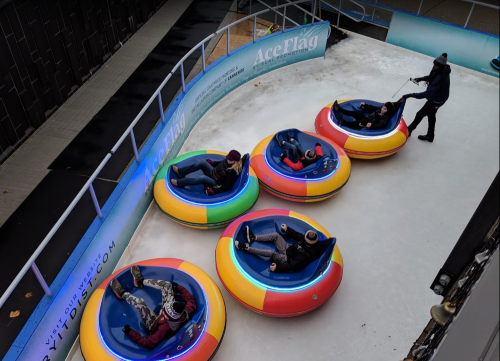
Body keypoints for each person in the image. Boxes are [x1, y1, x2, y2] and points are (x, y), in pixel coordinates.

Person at [110, 266, 197, 349]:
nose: (162, 312)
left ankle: (122, 294)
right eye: (164, 310)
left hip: (153, 324)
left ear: (170, 317)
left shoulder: (163, 329)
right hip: (168, 318)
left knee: (140, 303)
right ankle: (140, 281)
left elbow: (149, 343)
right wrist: (179, 288)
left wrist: (130, 332)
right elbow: (191, 300)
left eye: (165, 313)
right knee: (167, 286)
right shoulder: (186, 311)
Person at [234, 224, 330, 272]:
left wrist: (277, 268)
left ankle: (246, 248)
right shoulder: (309, 240)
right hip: (289, 249)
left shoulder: (304, 257)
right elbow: (297, 235)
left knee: (271, 253)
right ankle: (253, 238)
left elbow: (292, 266)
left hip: (288, 260)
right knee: (276, 235)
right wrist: (287, 229)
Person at [400, 53, 451, 142]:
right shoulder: (442, 70)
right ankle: (430, 136)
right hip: (441, 98)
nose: (434, 66)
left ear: (441, 66)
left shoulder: (440, 77)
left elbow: (426, 94)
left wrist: (409, 95)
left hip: (436, 100)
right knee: (431, 115)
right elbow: (431, 77)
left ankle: (409, 130)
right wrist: (420, 79)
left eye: (436, 66)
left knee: (420, 114)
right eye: (434, 64)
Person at [170, 150, 244, 195]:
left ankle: (179, 183)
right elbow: (220, 163)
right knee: (202, 162)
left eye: (230, 160)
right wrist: (213, 163)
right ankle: (180, 172)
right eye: (228, 158)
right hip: (213, 173)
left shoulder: (233, 171)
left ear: (235, 161)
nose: (228, 160)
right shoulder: (228, 160)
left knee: (203, 178)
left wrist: (214, 190)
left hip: (216, 182)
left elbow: (226, 186)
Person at [333, 100, 398, 130]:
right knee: (355, 113)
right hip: (367, 118)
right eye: (383, 107)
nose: (383, 110)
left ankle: (343, 122)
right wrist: (365, 105)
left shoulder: (385, 118)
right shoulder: (379, 109)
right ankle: (339, 109)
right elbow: (372, 107)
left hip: (367, 124)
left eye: (385, 109)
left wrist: (371, 125)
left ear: (388, 111)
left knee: (357, 123)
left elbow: (380, 125)